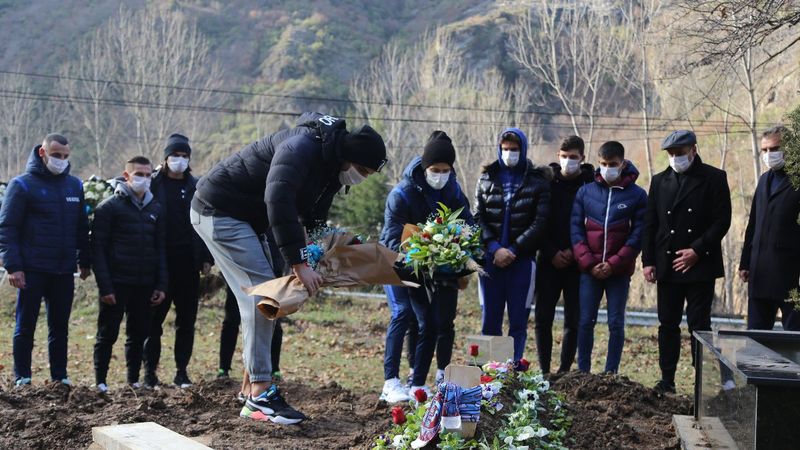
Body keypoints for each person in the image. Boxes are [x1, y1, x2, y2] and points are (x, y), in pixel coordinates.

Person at [192, 112, 386, 424]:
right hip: (219, 209)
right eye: (361, 170)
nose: (361, 177)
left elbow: (315, 221)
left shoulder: (331, 169)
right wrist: (298, 263)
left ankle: (248, 390)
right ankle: (260, 395)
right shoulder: (302, 148)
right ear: (349, 156)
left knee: (272, 294)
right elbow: (278, 198)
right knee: (264, 296)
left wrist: (339, 252)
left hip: (251, 217)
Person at [379, 130, 472, 402]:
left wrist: (463, 261)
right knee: (402, 313)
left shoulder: (452, 190)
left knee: (429, 321)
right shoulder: (403, 194)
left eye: (446, 170)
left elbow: (468, 226)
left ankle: (417, 383)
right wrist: (418, 251)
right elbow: (391, 237)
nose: (440, 175)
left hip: (425, 267)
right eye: (435, 169)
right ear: (424, 167)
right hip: (396, 263)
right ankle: (390, 381)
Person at [642, 130, 731, 394]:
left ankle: (701, 381)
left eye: (680, 154)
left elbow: (721, 221)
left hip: (699, 264)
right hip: (668, 263)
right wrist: (648, 261)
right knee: (667, 323)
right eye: (671, 155)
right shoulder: (659, 181)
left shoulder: (714, 178)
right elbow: (650, 224)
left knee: (699, 326)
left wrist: (697, 250)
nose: (675, 159)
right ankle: (666, 378)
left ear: (693, 149)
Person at [0, 133, 91, 387]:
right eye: (56, 155)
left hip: (63, 270)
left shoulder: (74, 186)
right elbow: (7, 228)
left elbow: (81, 227)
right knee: (25, 326)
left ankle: (59, 377)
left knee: (59, 327)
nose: (61, 160)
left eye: (65, 156)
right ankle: (23, 377)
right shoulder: (22, 185)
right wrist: (14, 266)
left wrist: (85, 259)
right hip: (31, 269)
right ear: (43, 153)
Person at [143, 133, 213, 389]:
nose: (180, 160)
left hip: (188, 264)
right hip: (159, 266)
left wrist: (206, 257)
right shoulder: (152, 185)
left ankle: (182, 372)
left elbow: (205, 222)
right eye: (175, 155)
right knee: (153, 323)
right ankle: (149, 373)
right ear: (165, 158)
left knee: (186, 321)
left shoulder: (196, 186)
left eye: (184, 156)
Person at [91, 156, 167, 392]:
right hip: (116, 282)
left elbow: (160, 249)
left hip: (144, 283)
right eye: (139, 174)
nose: (144, 179)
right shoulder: (108, 208)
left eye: (147, 175)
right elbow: (98, 250)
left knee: (138, 334)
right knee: (107, 333)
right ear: (126, 176)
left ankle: (133, 380)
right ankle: (100, 381)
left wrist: (161, 284)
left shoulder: (156, 208)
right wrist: (105, 286)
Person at [570, 141, 647, 374]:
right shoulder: (585, 192)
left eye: (612, 164)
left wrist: (613, 264)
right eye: (603, 164)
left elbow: (637, 235)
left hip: (619, 272)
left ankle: (610, 372)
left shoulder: (637, 195)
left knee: (615, 322)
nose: (607, 169)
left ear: (622, 164)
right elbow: (576, 230)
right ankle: (583, 371)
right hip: (589, 270)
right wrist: (590, 263)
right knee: (585, 321)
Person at [475, 128, 550, 365]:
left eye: (514, 150)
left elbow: (540, 222)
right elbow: (477, 217)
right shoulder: (486, 178)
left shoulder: (537, 181)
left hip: (522, 262)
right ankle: (489, 372)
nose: (509, 154)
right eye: (505, 149)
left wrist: (514, 250)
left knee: (518, 321)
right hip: (490, 261)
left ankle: (512, 371)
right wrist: (494, 247)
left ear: (523, 150)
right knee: (490, 320)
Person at [534, 135, 594, 375]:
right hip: (548, 259)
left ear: (582, 158)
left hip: (577, 261)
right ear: (558, 156)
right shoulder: (545, 182)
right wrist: (551, 252)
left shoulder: (591, 185)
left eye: (573, 157)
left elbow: (594, 224)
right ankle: (544, 370)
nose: (568, 161)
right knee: (543, 318)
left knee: (574, 319)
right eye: (564, 156)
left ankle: (564, 369)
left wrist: (573, 250)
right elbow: (537, 221)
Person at [739, 126, 800, 331]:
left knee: (794, 341)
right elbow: (754, 223)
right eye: (764, 150)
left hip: (791, 276)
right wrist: (745, 262)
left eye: (774, 149)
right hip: (760, 273)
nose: (768, 155)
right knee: (756, 339)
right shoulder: (765, 180)